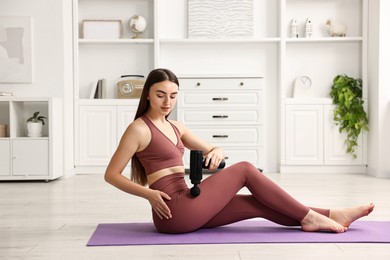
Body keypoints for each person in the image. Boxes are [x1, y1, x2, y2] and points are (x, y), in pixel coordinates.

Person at [104, 68, 375, 234]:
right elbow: (111, 175)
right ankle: (312, 217)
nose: (167, 101)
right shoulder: (138, 129)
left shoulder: (176, 126)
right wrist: (148, 194)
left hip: (187, 201)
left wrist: (217, 151)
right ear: (148, 95)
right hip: (173, 211)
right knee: (245, 169)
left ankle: (329, 215)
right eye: (161, 94)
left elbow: (211, 147)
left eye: (173, 95)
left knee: (255, 204)